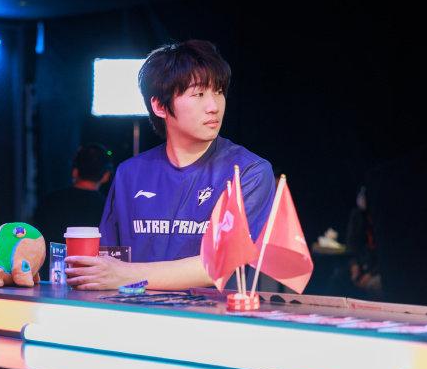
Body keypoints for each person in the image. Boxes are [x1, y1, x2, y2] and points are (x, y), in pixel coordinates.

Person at [65, 40, 275, 290]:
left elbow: (220, 264)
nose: (214, 106)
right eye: (198, 94)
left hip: (213, 313)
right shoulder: (130, 173)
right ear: (160, 106)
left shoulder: (249, 172)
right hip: (134, 311)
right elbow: (109, 259)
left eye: (218, 92)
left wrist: (127, 275)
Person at [33, 143, 112, 248]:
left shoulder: (49, 202)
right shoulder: (109, 209)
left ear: (74, 172)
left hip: (51, 258)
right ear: (106, 176)